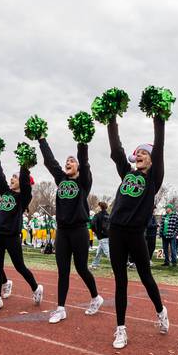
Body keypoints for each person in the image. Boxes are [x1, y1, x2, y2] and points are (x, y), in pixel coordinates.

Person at [105, 113, 169, 349]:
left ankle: (161, 311)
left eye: (144, 153)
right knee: (120, 281)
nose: (140, 156)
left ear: (153, 159)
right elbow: (116, 151)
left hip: (136, 234)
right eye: (138, 154)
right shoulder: (127, 173)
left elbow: (160, 146)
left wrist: (159, 119)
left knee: (145, 277)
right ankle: (121, 329)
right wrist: (111, 120)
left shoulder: (154, 178)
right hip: (116, 232)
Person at [37, 137, 101, 323]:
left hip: (79, 230)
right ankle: (60, 308)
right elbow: (50, 161)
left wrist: (82, 141)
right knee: (63, 270)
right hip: (63, 231)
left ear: (79, 167)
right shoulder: (61, 179)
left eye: (72, 161)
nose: (68, 162)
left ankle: (96, 297)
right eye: (67, 161)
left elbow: (85, 161)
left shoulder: (84, 182)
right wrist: (42, 140)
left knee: (81, 268)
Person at [0, 156, 44, 313]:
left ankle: (36, 287)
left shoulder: (24, 197)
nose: (12, 179)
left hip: (11, 237)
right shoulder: (6, 192)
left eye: (15, 177)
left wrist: (24, 165)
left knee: (20, 266)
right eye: (12, 176)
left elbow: (25, 182)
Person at [90, 201, 110, 268]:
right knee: (99, 252)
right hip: (108, 235)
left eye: (97, 206)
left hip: (101, 236)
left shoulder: (97, 215)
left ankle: (117, 266)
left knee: (108, 252)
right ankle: (94, 264)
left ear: (100, 207)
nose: (96, 208)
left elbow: (92, 224)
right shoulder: (108, 215)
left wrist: (95, 231)